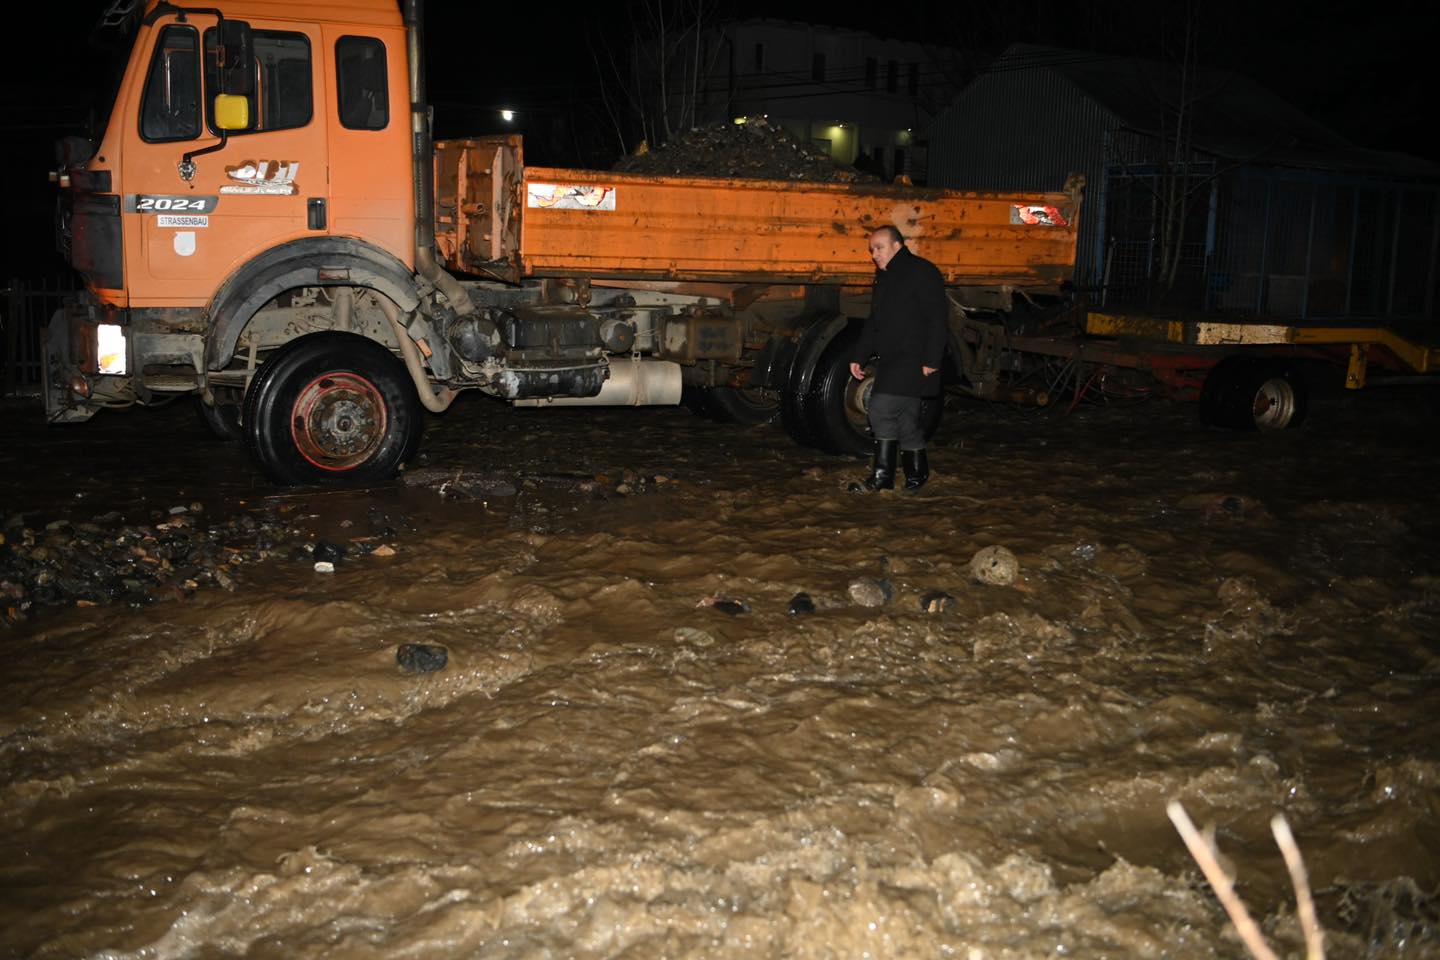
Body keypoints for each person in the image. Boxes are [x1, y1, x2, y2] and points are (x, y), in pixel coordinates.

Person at [848, 225, 948, 493]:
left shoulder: (922, 271)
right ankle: (917, 476)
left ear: (897, 246)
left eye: (879, 248)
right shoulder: (883, 276)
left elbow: (937, 319)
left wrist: (932, 360)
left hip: (915, 359)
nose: (874, 255)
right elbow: (875, 320)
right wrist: (859, 355)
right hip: (892, 358)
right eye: (871, 250)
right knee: (905, 419)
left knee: (880, 409)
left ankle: (882, 479)